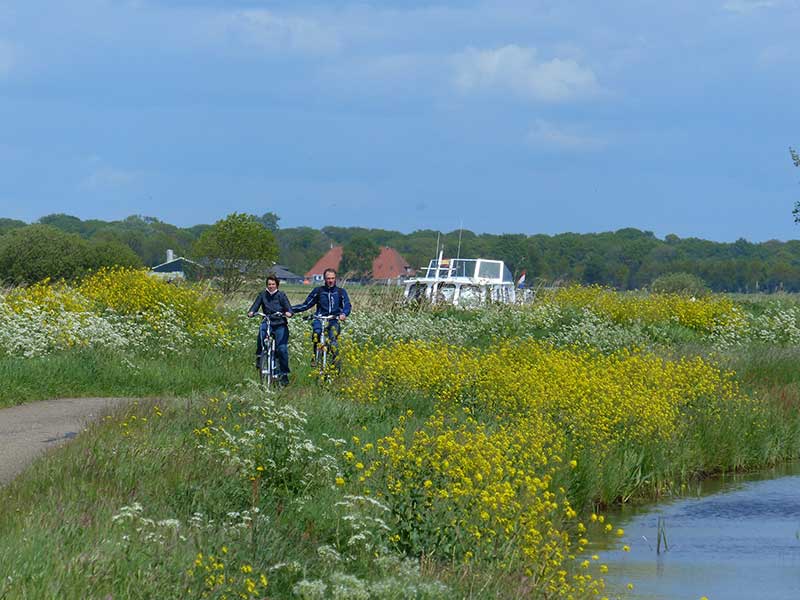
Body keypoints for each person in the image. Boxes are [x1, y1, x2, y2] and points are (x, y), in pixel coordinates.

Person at [291, 268, 351, 364]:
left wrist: (344, 314)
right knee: (317, 333)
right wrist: (290, 310)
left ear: (335, 279)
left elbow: (347, 305)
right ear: (324, 279)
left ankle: (335, 367)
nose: (330, 281)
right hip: (320, 318)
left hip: (333, 320)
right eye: (328, 278)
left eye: (332, 278)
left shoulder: (340, 292)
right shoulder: (318, 291)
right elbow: (306, 305)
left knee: (333, 342)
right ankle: (315, 355)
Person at [248, 275, 293, 385]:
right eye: (269, 284)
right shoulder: (262, 294)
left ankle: (284, 374)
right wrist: (251, 312)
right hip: (267, 321)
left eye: (273, 284)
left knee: (282, 349)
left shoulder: (281, 295)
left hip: (280, 324)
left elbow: (289, 309)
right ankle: (259, 356)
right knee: (261, 335)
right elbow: (255, 305)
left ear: (277, 285)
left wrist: (288, 313)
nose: (271, 286)